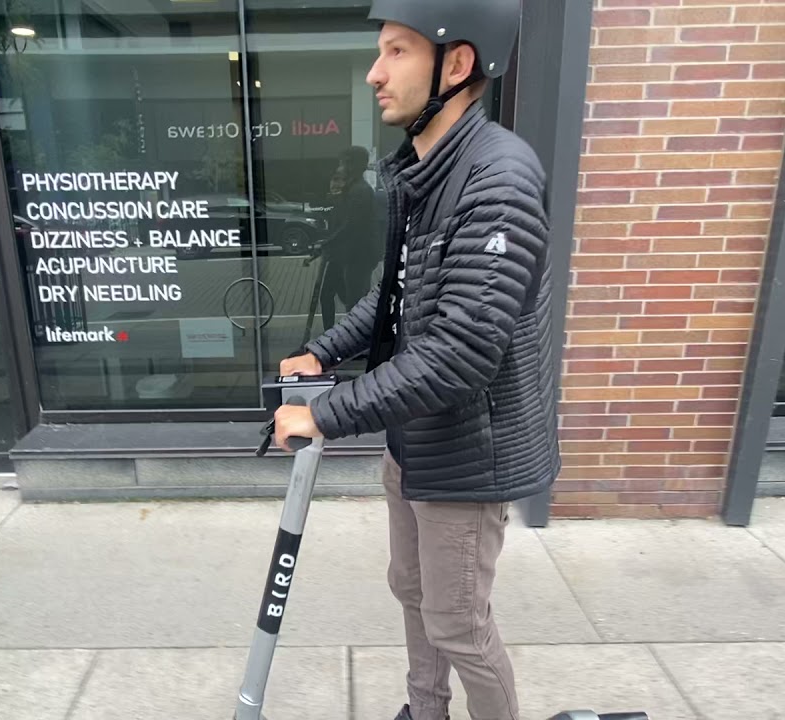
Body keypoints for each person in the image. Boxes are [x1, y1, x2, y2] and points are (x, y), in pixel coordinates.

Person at [271, 0, 559, 718]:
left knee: (459, 623)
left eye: (397, 51)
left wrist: (325, 414)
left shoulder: (498, 182)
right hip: (416, 438)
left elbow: (459, 354)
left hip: (470, 452)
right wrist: (321, 352)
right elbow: (392, 297)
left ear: (456, 65)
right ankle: (425, 711)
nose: (375, 72)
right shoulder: (424, 173)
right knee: (412, 590)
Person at [317, 146, 380, 330]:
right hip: (348, 254)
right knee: (340, 295)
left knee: (355, 301)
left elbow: (351, 226)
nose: (340, 166)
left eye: (343, 162)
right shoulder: (351, 189)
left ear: (352, 164)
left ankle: (361, 341)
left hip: (358, 255)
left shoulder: (360, 191)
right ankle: (338, 336)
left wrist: (327, 243)